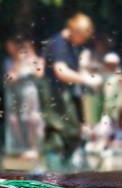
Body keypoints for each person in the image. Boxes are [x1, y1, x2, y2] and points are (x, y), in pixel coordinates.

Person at [40, 12, 102, 170]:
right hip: (53, 95)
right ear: (74, 30)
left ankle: (68, 174)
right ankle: (55, 178)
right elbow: (61, 71)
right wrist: (86, 79)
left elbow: (76, 71)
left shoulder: (73, 46)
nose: (83, 41)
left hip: (65, 96)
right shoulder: (58, 43)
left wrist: (86, 72)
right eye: (82, 36)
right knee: (56, 137)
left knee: (73, 133)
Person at [4, 39, 45, 159]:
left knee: (34, 120)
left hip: (33, 95)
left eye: (27, 48)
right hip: (20, 96)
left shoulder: (37, 60)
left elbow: (39, 74)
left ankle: (36, 147)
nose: (25, 52)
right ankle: (27, 147)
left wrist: (32, 59)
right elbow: (10, 78)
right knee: (24, 121)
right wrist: (19, 62)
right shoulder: (17, 62)